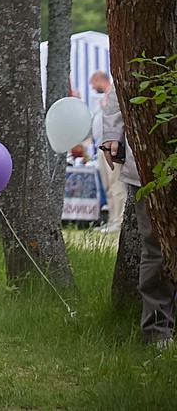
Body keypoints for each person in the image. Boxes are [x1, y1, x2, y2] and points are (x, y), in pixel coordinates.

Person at [100, 89, 176, 349]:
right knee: (156, 249)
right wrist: (112, 135)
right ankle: (157, 334)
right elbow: (121, 89)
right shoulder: (140, 51)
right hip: (148, 162)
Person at [89, 70, 126, 233]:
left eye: (93, 82)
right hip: (101, 147)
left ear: (99, 80)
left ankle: (119, 220)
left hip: (112, 147)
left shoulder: (112, 95)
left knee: (116, 183)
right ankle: (112, 218)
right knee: (108, 185)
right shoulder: (102, 100)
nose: (92, 86)